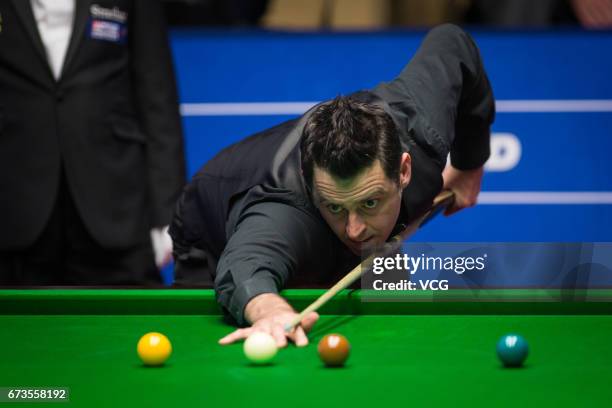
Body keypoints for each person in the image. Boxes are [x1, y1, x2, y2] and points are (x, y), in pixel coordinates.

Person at [170, 24, 494, 346]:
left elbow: (453, 43)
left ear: (404, 171)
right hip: (212, 230)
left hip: (361, 231)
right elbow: (245, 265)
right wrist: (267, 309)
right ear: (313, 187)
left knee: (397, 330)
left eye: (370, 202)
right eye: (336, 207)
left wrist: (470, 163)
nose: (354, 230)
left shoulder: (420, 129)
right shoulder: (285, 212)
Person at [0, 0, 185, 284]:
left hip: (115, 199)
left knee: (129, 320)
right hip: (14, 204)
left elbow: (157, 94)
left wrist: (167, 214)